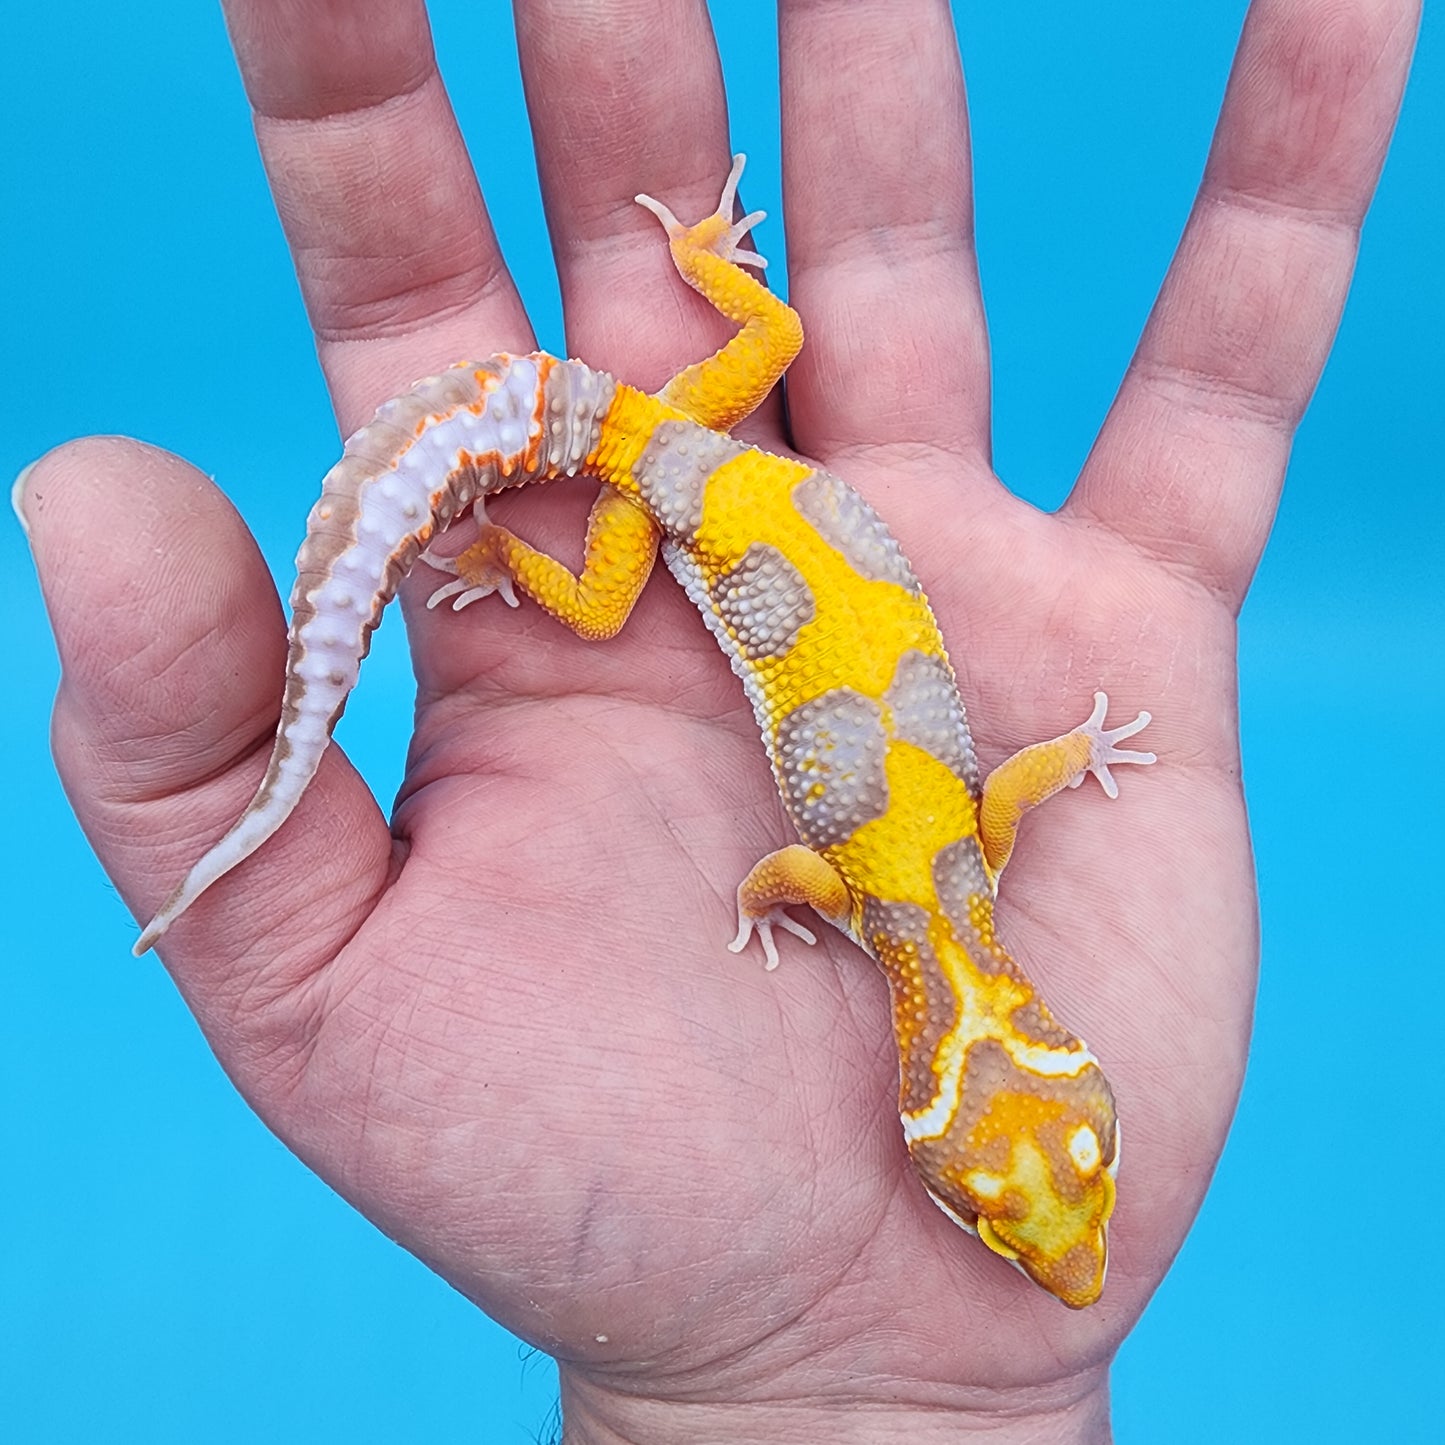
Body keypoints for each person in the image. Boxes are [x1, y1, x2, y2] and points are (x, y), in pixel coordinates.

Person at [18, 0, 1417, 1437]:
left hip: (699, 442)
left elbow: (1001, 792)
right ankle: (517, 538)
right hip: (666, 490)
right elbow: (788, 876)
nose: (1062, 1252)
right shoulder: (874, 886)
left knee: (782, 334)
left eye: (1015, 1220)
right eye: (1047, 1211)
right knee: (598, 605)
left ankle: (661, 321)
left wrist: (1081, 753)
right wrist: (765, 905)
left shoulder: (957, 861)